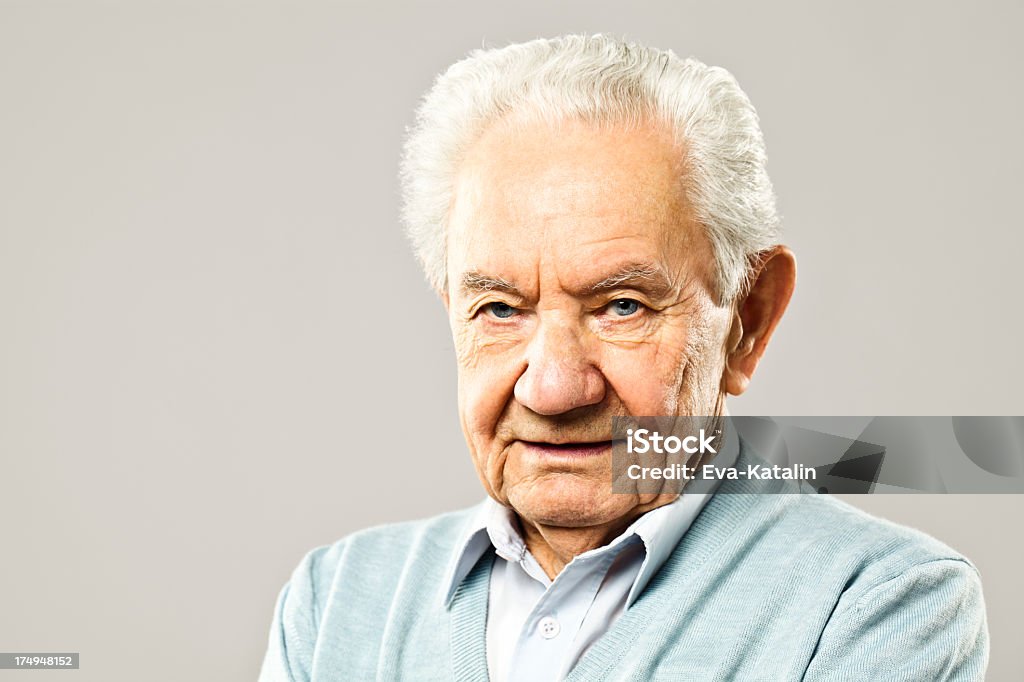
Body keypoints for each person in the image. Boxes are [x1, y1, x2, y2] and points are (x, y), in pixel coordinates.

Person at [259, 34, 988, 681]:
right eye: (501, 309)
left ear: (749, 320)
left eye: (622, 307)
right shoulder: (336, 600)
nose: (551, 388)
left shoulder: (879, 604)